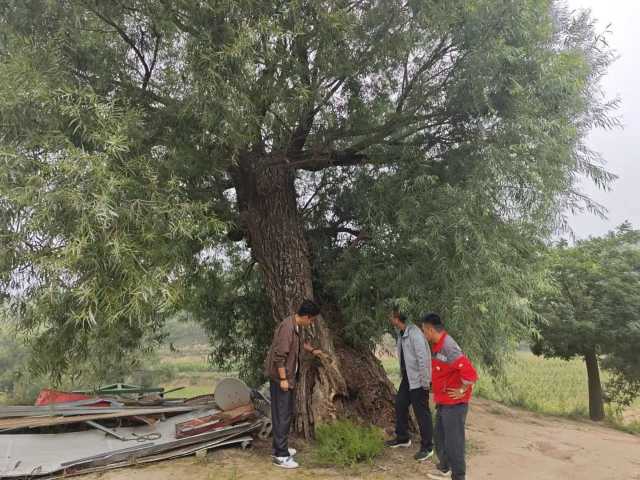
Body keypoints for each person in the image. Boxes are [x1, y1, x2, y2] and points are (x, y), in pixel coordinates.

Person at [264, 299, 324, 469]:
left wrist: (312, 350)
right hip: (281, 379)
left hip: (287, 378)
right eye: (311, 320)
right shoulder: (288, 328)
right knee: (282, 415)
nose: (311, 323)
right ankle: (281, 456)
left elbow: (298, 345)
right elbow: (279, 357)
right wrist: (283, 379)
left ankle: (279, 448)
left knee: (283, 414)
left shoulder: (295, 326)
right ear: (305, 316)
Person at [418, 313, 478, 480]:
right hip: (444, 401)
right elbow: (444, 370)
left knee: (454, 443)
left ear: (430, 329)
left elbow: (470, 374)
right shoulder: (438, 345)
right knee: (439, 437)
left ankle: (459, 476)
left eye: (424, 330)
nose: (424, 334)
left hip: (455, 404)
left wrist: (462, 389)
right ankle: (444, 468)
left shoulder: (448, 347)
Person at [384, 308, 434, 461]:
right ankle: (403, 438)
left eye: (390, 315)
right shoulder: (401, 333)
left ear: (397, 318)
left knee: (422, 412)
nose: (388, 318)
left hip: (419, 379)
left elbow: (423, 358)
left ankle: (428, 447)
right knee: (400, 403)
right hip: (408, 378)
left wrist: (426, 382)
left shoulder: (415, 334)